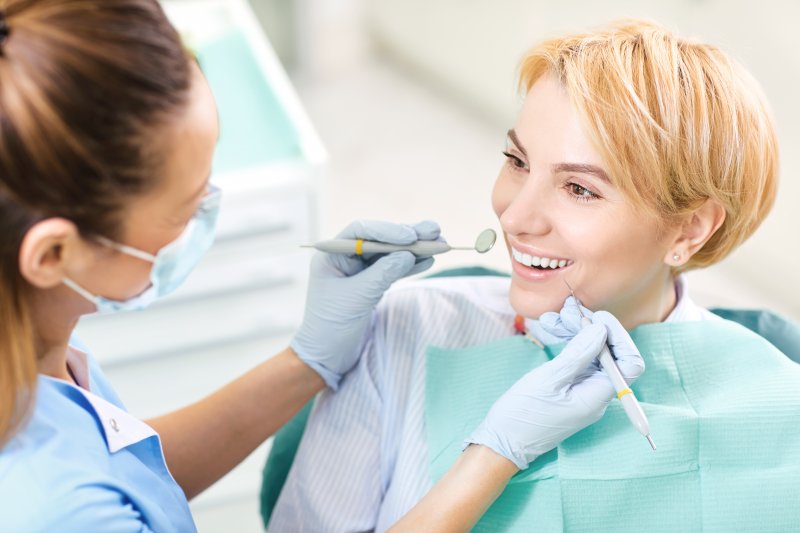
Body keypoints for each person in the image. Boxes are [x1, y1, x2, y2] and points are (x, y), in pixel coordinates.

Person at [0, 2, 643, 531]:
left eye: (580, 189)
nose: (518, 217)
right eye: (183, 206)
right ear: (53, 255)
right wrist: (494, 454)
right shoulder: (50, 511)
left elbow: (126, 466)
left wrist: (307, 360)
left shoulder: (36, 332)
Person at [270, 19, 800, 532]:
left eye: (579, 189)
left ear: (689, 231)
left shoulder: (776, 406)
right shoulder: (405, 332)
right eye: (517, 161)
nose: (515, 217)